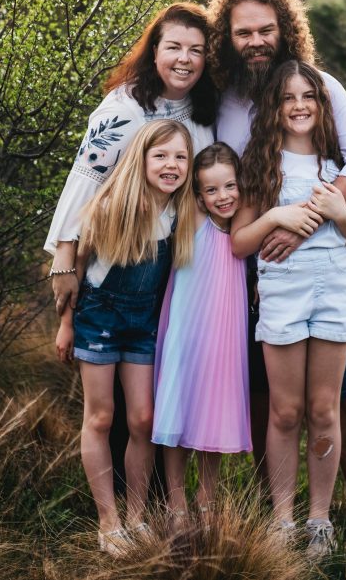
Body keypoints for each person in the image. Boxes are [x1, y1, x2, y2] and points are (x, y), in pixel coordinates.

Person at [206, 0, 346, 542]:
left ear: (286, 28)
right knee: (274, 401)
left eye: (266, 30)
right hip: (253, 272)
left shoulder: (322, 85)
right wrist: (268, 227)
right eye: (243, 33)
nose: (256, 41)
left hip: (325, 274)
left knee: (337, 396)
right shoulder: (225, 100)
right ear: (228, 39)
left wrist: (307, 223)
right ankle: (279, 514)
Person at [46, 3, 215, 499]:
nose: (185, 60)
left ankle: (159, 502)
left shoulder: (204, 114)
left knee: (154, 404)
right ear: (154, 51)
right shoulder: (124, 108)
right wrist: (63, 257)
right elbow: (85, 182)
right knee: (111, 409)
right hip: (112, 271)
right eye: (174, 48)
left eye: (196, 50)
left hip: (176, 271)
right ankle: (112, 513)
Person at [231, 60, 346, 558]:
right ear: (275, 106)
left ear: (322, 103)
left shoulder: (341, 167)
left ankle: (319, 519)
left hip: (333, 295)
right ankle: (280, 518)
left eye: (308, 96)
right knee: (285, 409)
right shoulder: (261, 165)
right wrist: (275, 214)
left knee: (323, 408)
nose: (298, 106)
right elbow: (240, 242)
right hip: (282, 298)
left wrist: (339, 211)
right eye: (288, 97)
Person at [54, 119, 196, 556]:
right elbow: (78, 263)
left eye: (180, 157)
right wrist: (65, 324)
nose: (171, 165)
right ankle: (108, 522)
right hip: (99, 317)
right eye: (161, 156)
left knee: (143, 420)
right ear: (142, 159)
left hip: (144, 323)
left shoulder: (180, 212)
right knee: (100, 417)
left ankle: (136, 517)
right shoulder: (114, 204)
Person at [152, 142, 252, 529]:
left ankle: (207, 499)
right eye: (211, 190)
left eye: (229, 187)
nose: (222, 197)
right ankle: (176, 504)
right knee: (178, 406)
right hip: (187, 327)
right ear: (197, 195)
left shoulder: (243, 226)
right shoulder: (194, 217)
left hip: (226, 331)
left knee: (218, 407)